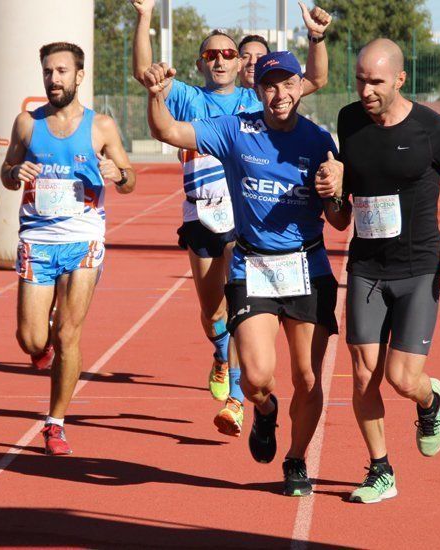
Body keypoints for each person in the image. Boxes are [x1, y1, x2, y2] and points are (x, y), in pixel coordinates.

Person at [145, 49, 345, 495]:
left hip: (307, 267)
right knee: (256, 378)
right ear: (258, 90)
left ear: (299, 87)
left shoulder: (318, 140)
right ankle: (266, 411)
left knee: (308, 378)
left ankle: (296, 461)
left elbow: (340, 221)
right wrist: (157, 96)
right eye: (270, 85)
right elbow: (166, 129)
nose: (279, 93)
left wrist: (336, 193)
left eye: (288, 84)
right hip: (252, 266)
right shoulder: (236, 130)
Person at [132, 0, 330, 436]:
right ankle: (221, 354)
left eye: (228, 54)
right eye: (211, 54)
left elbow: (314, 79)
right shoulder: (188, 97)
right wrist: (144, 20)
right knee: (212, 311)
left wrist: (316, 38)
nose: (220, 59)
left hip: (244, 216)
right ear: (201, 62)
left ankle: (239, 398)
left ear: (243, 66)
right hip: (201, 208)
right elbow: (148, 83)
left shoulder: (256, 99)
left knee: (241, 307)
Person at [334, 39, 440, 503]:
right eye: (360, 80)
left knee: (402, 378)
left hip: (418, 267)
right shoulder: (348, 121)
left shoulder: (433, 130)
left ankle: (429, 401)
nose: (366, 91)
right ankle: (381, 470)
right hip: (365, 266)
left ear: (400, 79)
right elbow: (347, 193)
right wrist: (333, 192)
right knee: (364, 376)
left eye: (376, 82)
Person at [0, 42, 136, 456]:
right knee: (30, 338)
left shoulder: (102, 127)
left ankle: (55, 423)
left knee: (69, 333)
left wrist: (119, 173)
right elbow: (7, 175)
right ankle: (41, 349)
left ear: (79, 76)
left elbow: (129, 180)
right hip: (38, 240)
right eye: (48, 72)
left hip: (83, 238)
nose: (54, 79)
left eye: (62, 71)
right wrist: (13, 171)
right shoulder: (27, 124)